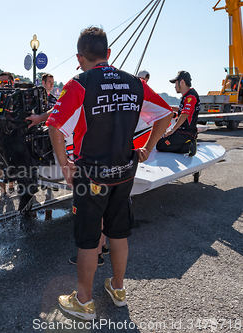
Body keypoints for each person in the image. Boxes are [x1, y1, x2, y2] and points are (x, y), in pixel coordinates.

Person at [46, 27, 173, 320]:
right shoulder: (135, 83)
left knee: (88, 238)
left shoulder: (80, 83)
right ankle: (117, 289)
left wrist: (65, 165)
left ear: (79, 57)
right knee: (118, 232)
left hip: (90, 175)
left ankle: (83, 302)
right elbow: (166, 114)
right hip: (125, 171)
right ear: (109, 53)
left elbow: (55, 125)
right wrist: (147, 148)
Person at [156, 71, 199, 157]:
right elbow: (181, 110)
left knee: (160, 145)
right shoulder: (187, 96)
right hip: (183, 132)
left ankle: (189, 146)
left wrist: (172, 130)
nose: (175, 86)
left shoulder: (190, 96)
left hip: (186, 132)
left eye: (175, 83)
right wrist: (167, 108)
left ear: (182, 82)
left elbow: (185, 114)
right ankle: (186, 144)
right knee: (162, 141)